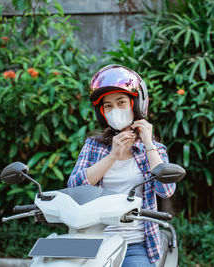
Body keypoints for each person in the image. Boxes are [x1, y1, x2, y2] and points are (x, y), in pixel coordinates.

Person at [67, 64, 176, 266]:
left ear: (135, 105)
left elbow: (166, 190)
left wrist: (149, 143)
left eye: (121, 102)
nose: (114, 110)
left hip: (135, 244)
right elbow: (75, 186)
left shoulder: (154, 149)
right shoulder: (93, 146)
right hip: (92, 240)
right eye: (108, 106)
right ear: (102, 112)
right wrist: (112, 156)